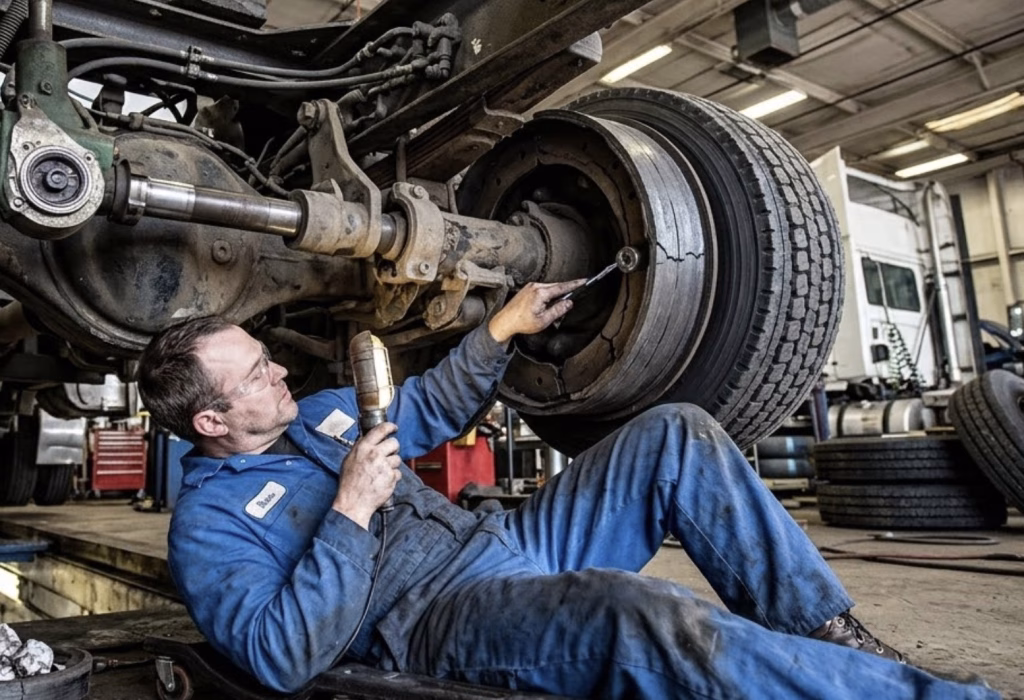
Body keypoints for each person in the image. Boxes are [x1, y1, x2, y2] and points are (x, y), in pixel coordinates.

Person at [139, 280, 998, 699]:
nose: (279, 367)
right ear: (212, 422)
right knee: (642, 613)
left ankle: (835, 640)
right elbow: (280, 658)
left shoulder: (321, 411)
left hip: (510, 544)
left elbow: (429, 405)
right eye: (257, 371)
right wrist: (352, 511)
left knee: (677, 433)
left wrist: (501, 328)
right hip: (433, 619)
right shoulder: (209, 525)